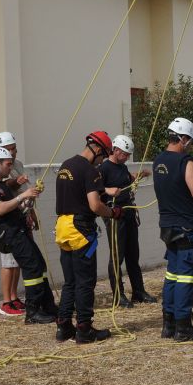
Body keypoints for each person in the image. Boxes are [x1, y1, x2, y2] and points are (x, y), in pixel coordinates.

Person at [0, 146, 57, 325]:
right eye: (7, 164)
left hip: (19, 229)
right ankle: (33, 312)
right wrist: (23, 196)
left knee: (39, 265)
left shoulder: (2, 186)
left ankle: (48, 306)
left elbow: (14, 207)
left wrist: (29, 199)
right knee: (32, 267)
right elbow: (0, 208)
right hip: (10, 234)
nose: (10, 167)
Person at [54, 131, 117, 344]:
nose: (103, 160)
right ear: (98, 149)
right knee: (85, 281)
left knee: (70, 281)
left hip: (63, 226)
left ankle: (63, 327)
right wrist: (112, 213)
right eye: (105, 155)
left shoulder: (65, 165)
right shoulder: (90, 170)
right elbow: (94, 205)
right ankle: (84, 329)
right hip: (80, 229)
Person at [153, 117, 193, 342]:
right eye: (191, 142)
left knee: (172, 274)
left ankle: (168, 323)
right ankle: (184, 326)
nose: (191, 146)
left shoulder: (158, 161)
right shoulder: (185, 161)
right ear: (183, 139)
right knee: (186, 277)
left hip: (167, 225)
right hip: (187, 226)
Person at [99, 134, 156, 308]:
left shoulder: (121, 167)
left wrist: (141, 175)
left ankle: (138, 291)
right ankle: (118, 294)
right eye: (125, 154)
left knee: (133, 254)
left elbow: (128, 178)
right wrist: (109, 191)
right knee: (117, 256)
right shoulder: (104, 168)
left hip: (129, 213)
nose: (127, 157)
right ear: (115, 150)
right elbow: (96, 191)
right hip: (116, 216)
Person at [0, 131, 30, 317]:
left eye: (14, 148)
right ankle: (6, 301)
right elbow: (4, 186)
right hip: (8, 220)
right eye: (8, 149)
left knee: (16, 261)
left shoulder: (18, 164)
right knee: (8, 262)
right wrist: (17, 181)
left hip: (21, 215)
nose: (12, 153)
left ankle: (14, 297)